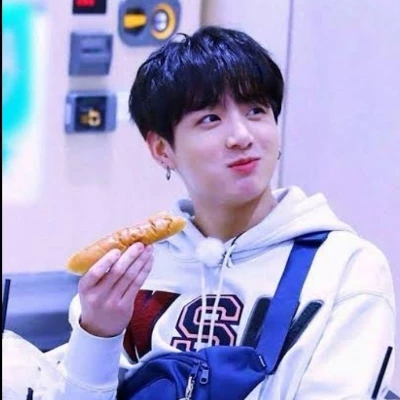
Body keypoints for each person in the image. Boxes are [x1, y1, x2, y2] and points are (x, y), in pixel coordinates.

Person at [43, 26, 396, 400]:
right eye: (210, 118)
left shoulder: (346, 268)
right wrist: (99, 333)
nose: (242, 136)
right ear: (162, 149)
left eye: (256, 111)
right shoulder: (137, 273)